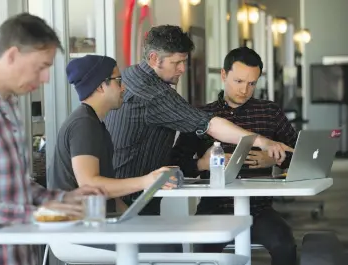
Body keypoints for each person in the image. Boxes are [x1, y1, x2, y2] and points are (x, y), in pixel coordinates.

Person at [0, 13, 105, 265]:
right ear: (12, 55)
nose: (46, 78)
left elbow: (13, 187)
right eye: (42, 67)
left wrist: (60, 200)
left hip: (20, 257)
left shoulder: (9, 105)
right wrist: (35, 215)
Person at [104, 25, 293, 215]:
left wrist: (273, 159)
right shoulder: (154, 93)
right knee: (163, 245)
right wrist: (261, 141)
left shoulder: (130, 75)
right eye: (176, 62)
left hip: (127, 189)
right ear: (154, 58)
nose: (182, 69)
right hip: (130, 195)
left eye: (184, 61)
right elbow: (209, 124)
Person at [170, 47, 298, 265]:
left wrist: (274, 160)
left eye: (251, 83)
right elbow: (175, 166)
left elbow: (296, 153)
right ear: (223, 75)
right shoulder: (202, 117)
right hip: (214, 208)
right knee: (203, 256)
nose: (244, 90)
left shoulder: (270, 112)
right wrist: (202, 163)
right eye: (238, 81)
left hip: (259, 209)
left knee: (285, 245)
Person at [48, 55, 174, 213]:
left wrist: (130, 218)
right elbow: (90, 185)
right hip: (76, 230)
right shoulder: (83, 124)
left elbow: (107, 193)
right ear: (100, 86)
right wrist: (146, 181)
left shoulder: (94, 122)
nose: (124, 88)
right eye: (118, 80)